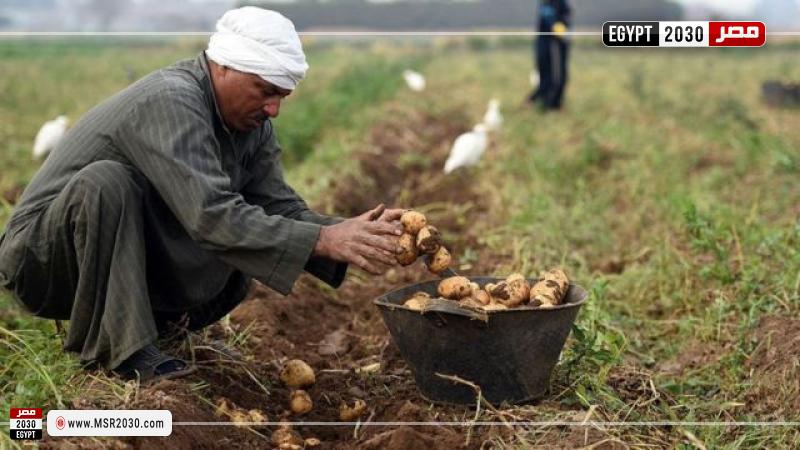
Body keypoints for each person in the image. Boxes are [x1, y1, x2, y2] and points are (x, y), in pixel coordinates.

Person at [0, 7, 404, 381]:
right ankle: (121, 351)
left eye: (282, 96)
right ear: (223, 67)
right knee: (109, 182)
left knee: (252, 241)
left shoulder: (251, 127)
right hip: (41, 258)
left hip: (100, 245)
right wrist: (324, 239)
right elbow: (210, 216)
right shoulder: (172, 99)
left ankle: (157, 331)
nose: (274, 109)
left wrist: (350, 232)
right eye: (265, 91)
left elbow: (278, 206)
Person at [527, 0, 572, 110]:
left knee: (552, 74)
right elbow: (552, 21)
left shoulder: (558, 4)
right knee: (554, 75)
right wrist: (560, 30)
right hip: (552, 42)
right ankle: (550, 104)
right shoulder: (550, 3)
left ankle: (542, 100)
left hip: (552, 42)